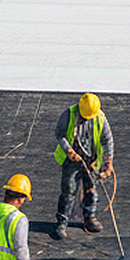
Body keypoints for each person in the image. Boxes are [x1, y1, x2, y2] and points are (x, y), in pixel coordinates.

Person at [51, 92, 114, 240]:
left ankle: (89, 217)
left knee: (90, 189)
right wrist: (69, 150)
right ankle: (62, 222)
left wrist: (108, 161)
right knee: (69, 190)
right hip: (71, 160)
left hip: (91, 160)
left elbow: (107, 140)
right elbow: (59, 134)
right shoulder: (68, 115)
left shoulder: (99, 118)